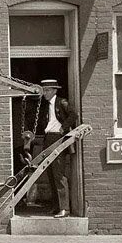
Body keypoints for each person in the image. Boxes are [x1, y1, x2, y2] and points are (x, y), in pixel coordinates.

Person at [34, 79, 77, 218]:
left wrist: (63, 128)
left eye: (47, 90)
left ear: (54, 91)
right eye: (43, 90)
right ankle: (56, 206)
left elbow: (73, 115)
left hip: (58, 138)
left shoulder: (61, 102)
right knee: (51, 174)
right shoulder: (46, 106)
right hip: (48, 139)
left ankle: (65, 209)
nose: (44, 93)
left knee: (59, 175)